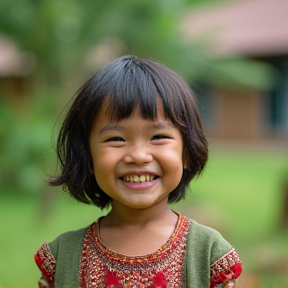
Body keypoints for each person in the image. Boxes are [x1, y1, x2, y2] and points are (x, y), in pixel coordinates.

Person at [34, 55, 242, 288]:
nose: (138, 156)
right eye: (116, 139)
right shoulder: (63, 257)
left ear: (186, 152)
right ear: (88, 156)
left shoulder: (208, 252)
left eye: (158, 137)